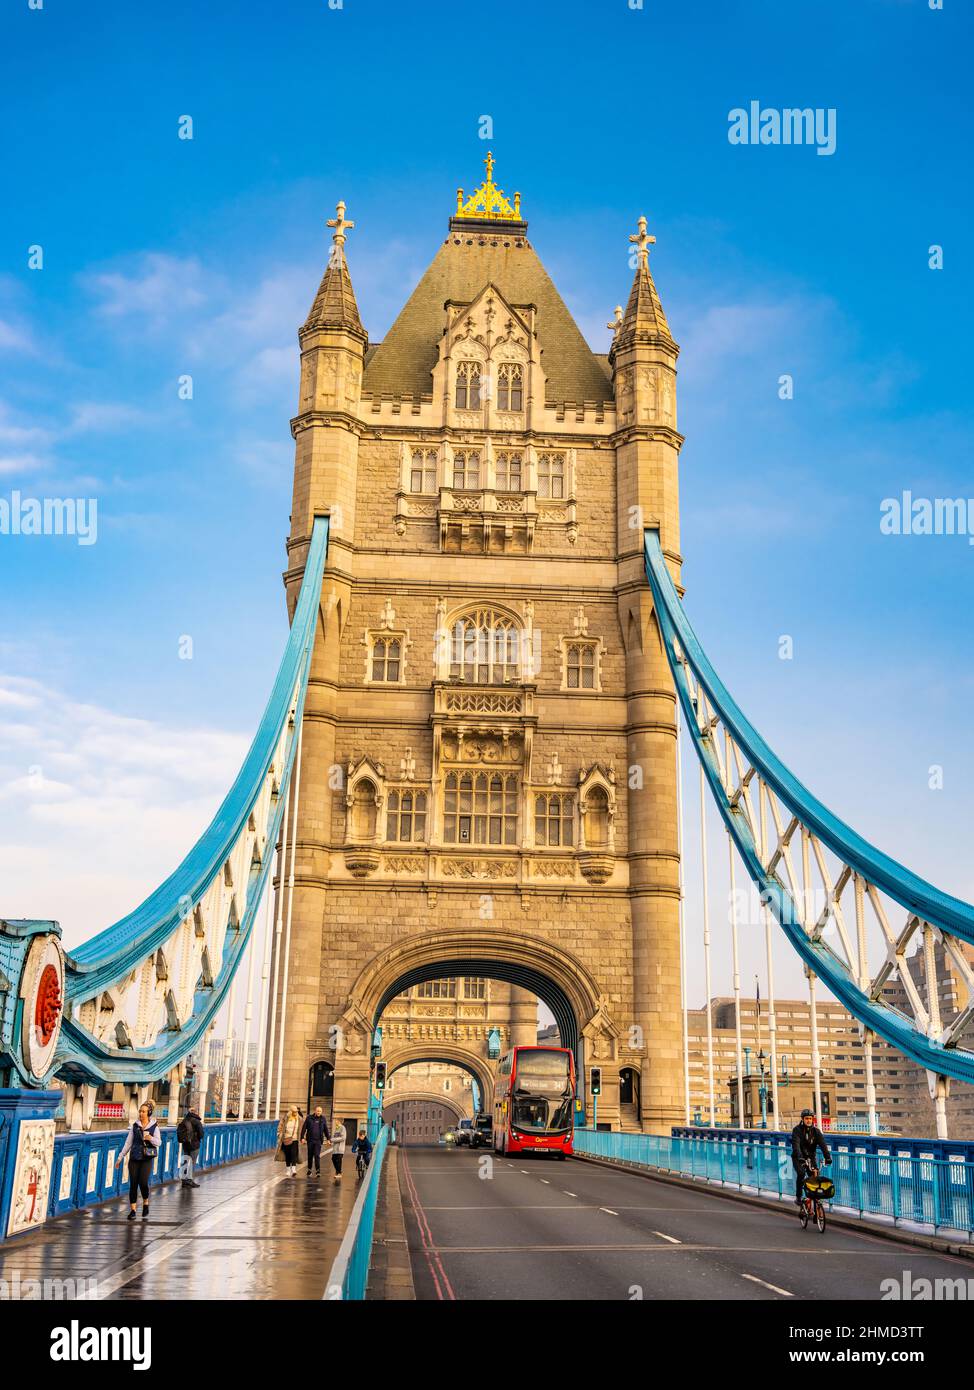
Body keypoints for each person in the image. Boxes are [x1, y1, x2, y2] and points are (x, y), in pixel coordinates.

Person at [116, 1102, 162, 1221]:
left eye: (143, 1111)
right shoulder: (135, 1126)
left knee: (143, 1182)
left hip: (146, 1158)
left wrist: (150, 1138)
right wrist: (120, 1158)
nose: (141, 1113)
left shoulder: (154, 1127)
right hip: (134, 1158)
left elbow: (159, 1142)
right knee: (133, 1184)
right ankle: (133, 1210)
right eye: (140, 1111)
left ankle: (146, 1202)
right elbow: (128, 1143)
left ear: (149, 1113)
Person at [791, 1107, 832, 1206]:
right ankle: (798, 1197)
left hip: (811, 1158)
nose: (808, 1120)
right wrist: (800, 1157)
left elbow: (823, 1145)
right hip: (798, 1157)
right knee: (801, 1174)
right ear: (802, 1119)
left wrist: (828, 1157)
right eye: (806, 1118)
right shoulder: (797, 1130)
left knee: (814, 1175)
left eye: (810, 1118)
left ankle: (814, 1199)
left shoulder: (816, 1132)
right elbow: (796, 1145)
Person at [176, 1104, 204, 1188]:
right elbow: (201, 1134)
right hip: (194, 1145)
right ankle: (190, 1180)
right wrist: (197, 1138)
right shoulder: (197, 1121)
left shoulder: (184, 1120)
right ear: (196, 1112)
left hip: (185, 1144)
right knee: (192, 1162)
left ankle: (184, 1180)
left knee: (185, 1161)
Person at [300, 1106, 331, 1178]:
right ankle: (309, 1169)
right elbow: (304, 1128)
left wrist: (328, 1139)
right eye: (318, 1111)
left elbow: (326, 1129)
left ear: (321, 1112)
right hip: (310, 1140)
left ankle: (318, 1171)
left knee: (317, 1155)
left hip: (318, 1141)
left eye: (320, 1111)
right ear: (315, 1111)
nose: (319, 1112)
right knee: (310, 1155)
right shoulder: (309, 1118)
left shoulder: (323, 1119)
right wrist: (302, 1138)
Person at [278, 1106, 302, 1177]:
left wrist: (302, 1137)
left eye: (296, 1111)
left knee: (294, 1153)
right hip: (286, 1138)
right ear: (290, 1111)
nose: (295, 1113)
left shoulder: (299, 1119)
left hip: (295, 1139)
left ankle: (294, 1169)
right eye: (294, 1111)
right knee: (287, 1155)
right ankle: (288, 1170)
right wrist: (279, 1134)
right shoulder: (285, 1118)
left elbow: (302, 1128)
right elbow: (280, 1126)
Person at [330, 1118, 347, 1183]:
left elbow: (343, 1138)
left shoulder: (343, 1128)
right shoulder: (336, 1128)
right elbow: (335, 1137)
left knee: (339, 1160)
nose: (335, 1122)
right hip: (335, 1148)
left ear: (339, 1121)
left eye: (336, 1121)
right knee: (333, 1159)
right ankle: (338, 1171)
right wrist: (331, 1141)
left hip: (340, 1148)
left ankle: (339, 1173)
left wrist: (332, 1140)